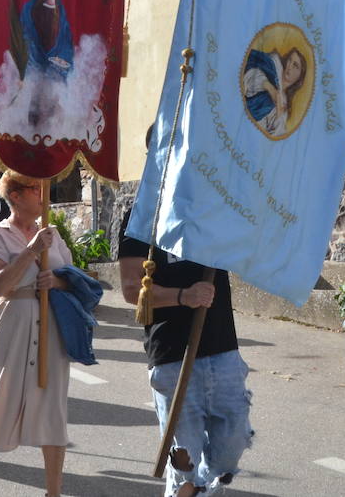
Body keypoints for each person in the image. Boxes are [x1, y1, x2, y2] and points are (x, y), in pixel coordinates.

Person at [120, 213, 253, 497]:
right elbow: (132, 289)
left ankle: (201, 487)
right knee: (183, 464)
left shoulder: (212, 207)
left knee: (235, 442)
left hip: (222, 348)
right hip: (171, 355)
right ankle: (190, 488)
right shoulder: (142, 218)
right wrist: (184, 296)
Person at [0, 171, 74, 497]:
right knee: (1, 405)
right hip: (12, 324)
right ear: (15, 195)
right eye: (35, 188)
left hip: (51, 326)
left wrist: (57, 282)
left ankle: (53, 492)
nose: (44, 193)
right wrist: (30, 251)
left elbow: (74, 278)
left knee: (53, 410)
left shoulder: (52, 232)